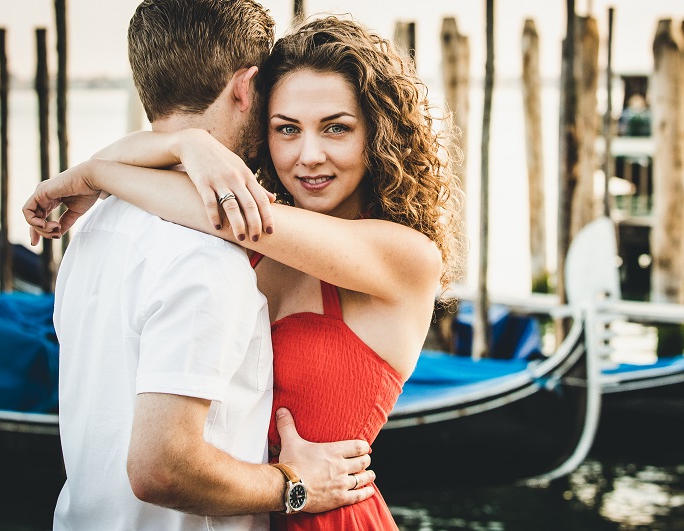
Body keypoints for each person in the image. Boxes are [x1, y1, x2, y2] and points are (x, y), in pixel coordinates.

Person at [24, 14, 464, 529]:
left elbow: (209, 207)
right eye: (286, 129)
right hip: (251, 508)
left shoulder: (405, 256)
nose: (309, 155)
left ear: (378, 134)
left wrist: (97, 173)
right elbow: (186, 197)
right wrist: (181, 146)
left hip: (328, 517)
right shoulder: (248, 233)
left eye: (337, 128)